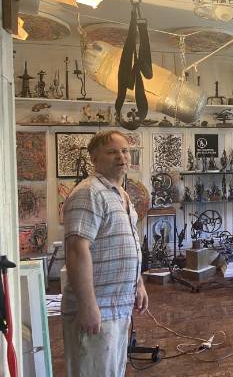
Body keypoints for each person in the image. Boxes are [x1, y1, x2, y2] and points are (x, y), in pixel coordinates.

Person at [62, 130, 148, 377]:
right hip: (97, 307)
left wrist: (138, 284)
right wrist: (88, 306)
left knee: (112, 371)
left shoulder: (121, 194)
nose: (121, 157)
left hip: (119, 305)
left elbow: (128, 244)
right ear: (94, 159)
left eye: (125, 151)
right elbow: (77, 251)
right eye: (112, 152)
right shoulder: (89, 193)